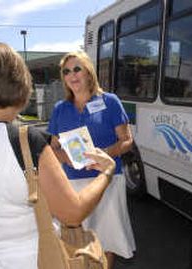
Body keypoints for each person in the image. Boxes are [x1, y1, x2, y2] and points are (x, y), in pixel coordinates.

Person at [0, 41, 116, 269]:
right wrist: (106, 172)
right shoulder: (26, 141)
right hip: (28, 259)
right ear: (19, 84)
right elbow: (73, 213)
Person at [47, 51, 136, 268]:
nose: (72, 75)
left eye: (77, 68)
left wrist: (105, 154)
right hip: (73, 184)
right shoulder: (60, 108)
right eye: (66, 71)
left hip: (107, 181)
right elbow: (53, 147)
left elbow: (127, 140)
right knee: (76, 240)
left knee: (107, 238)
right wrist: (66, 160)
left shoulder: (110, 101)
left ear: (88, 72)